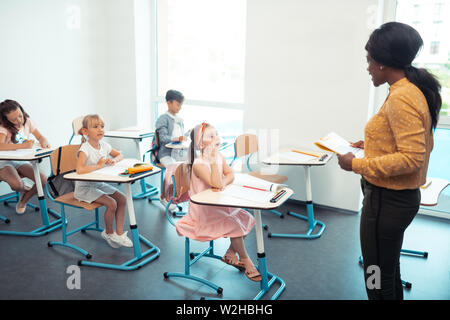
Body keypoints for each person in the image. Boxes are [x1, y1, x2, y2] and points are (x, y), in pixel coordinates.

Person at [337, 22, 441, 300]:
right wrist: (369, 145)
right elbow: (410, 142)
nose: (368, 67)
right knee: (387, 270)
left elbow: (412, 157)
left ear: (382, 62)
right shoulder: (408, 89)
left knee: (375, 275)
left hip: (386, 201)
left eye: (369, 60)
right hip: (393, 201)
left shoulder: (402, 97)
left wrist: (355, 164)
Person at [175, 123, 261, 282]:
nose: (216, 138)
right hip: (203, 211)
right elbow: (216, 184)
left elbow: (230, 175)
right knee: (235, 225)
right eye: (211, 136)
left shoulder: (220, 156)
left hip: (218, 204)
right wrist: (216, 168)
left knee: (246, 218)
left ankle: (230, 253)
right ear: (201, 144)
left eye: (217, 134)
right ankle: (246, 260)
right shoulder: (199, 164)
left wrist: (221, 180)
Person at [75, 114, 132, 248]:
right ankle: (108, 232)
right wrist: (99, 166)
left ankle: (118, 234)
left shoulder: (105, 145)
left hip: (97, 184)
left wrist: (114, 160)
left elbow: (119, 154)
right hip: (84, 188)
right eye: (95, 127)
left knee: (122, 199)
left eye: (102, 126)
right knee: (111, 203)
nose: (100, 129)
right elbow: (79, 169)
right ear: (85, 132)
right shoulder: (85, 149)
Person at [0, 99, 50, 214]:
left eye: (20, 116)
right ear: (6, 120)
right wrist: (23, 145)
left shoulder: (27, 122)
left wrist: (44, 141)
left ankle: (23, 200)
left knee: (43, 180)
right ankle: (23, 188)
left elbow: (40, 136)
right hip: (3, 162)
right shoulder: (3, 128)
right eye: (14, 119)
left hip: (20, 160)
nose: (19, 121)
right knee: (17, 185)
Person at [154, 89, 189, 210]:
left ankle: (179, 194)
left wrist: (188, 135)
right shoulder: (163, 118)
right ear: (169, 103)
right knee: (173, 168)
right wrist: (176, 138)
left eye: (181, 105)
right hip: (166, 154)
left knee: (193, 163)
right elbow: (163, 138)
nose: (180, 107)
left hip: (178, 153)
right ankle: (164, 197)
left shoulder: (179, 120)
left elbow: (180, 137)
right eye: (178, 104)